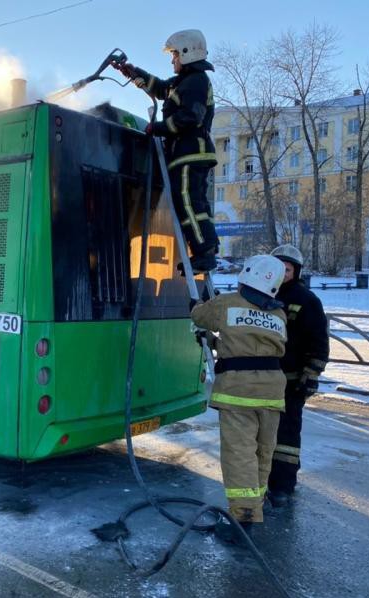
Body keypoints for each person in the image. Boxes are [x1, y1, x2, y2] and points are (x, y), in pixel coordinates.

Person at [190, 255, 287, 540]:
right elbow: (252, 346)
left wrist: (196, 305)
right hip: (272, 392)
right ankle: (254, 508)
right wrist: (217, 343)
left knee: (239, 455)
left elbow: (199, 316)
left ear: (246, 274)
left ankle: (242, 520)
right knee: (262, 452)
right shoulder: (278, 315)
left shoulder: (228, 302)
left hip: (239, 392)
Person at [113, 29, 219, 272]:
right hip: (185, 154)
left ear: (187, 53)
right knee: (191, 202)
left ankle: (204, 251)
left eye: (174, 55)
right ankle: (206, 247)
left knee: (189, 203)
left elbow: (190, 117)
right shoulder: (183, 82)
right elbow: (160, 89)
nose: (172, 60)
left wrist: (157, 128)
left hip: (190, 153)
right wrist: (132, 72)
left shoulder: (196, 81)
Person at [267, 244, 329, 507]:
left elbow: (318, 342)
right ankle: (264, 479)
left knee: (286, 436)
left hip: (291, 382)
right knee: (263, 433)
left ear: (297, 271)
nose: (282, 273)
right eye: (277, 268)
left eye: (287, 268)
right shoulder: (260, 294)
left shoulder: (306, 300)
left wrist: (311, 375)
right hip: (264, 379)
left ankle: (283, 485)